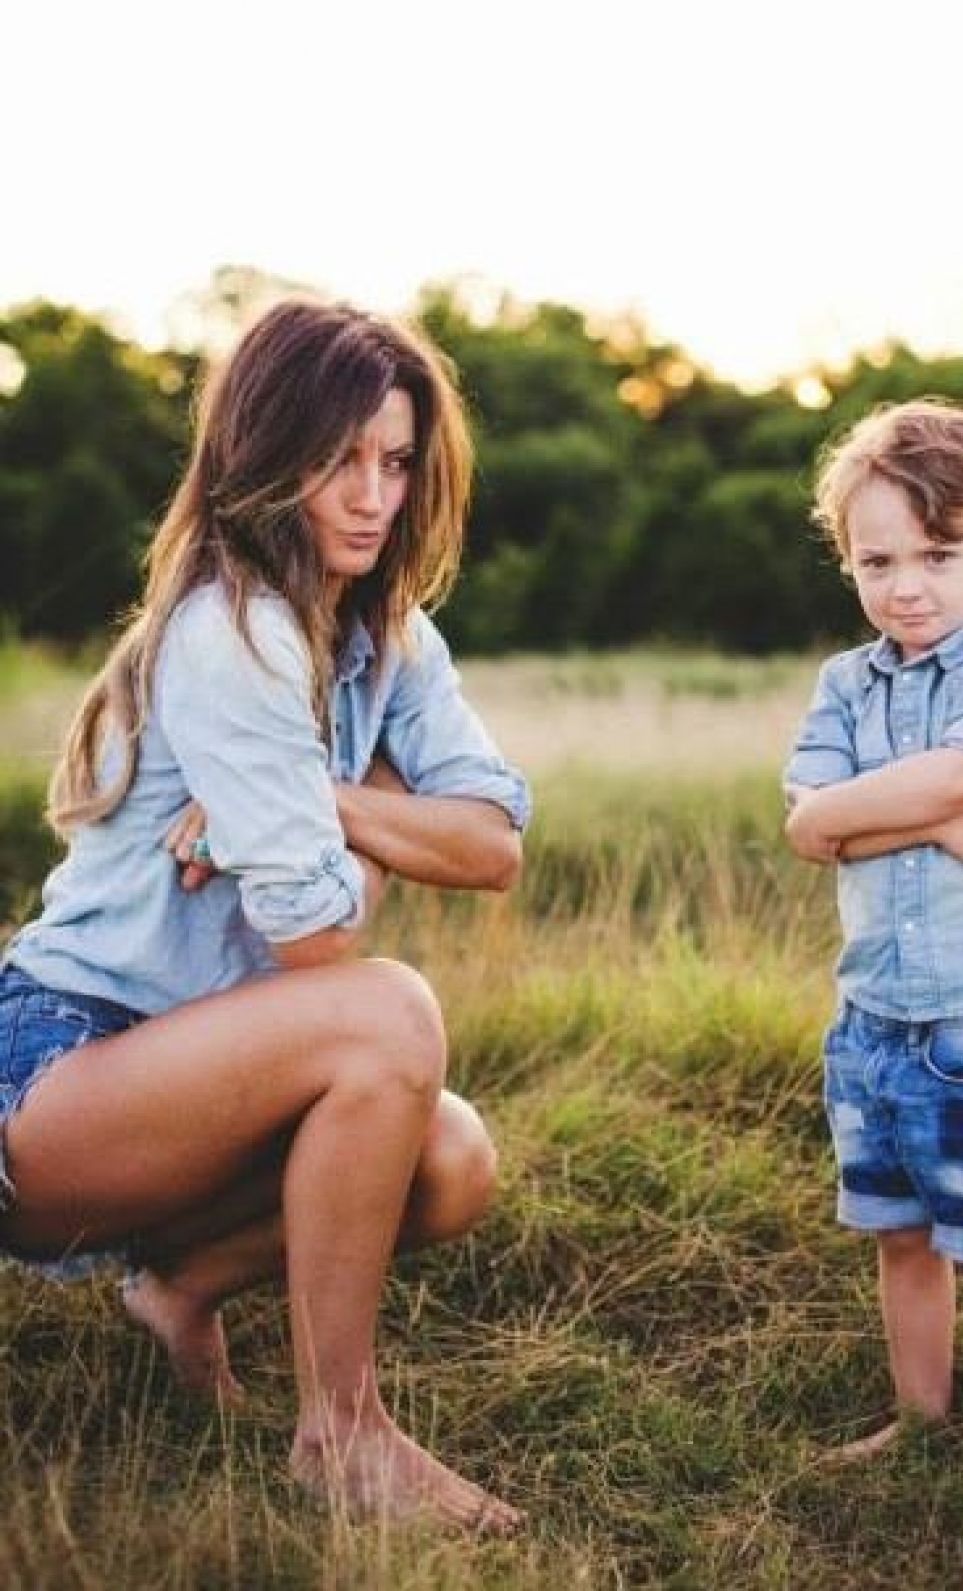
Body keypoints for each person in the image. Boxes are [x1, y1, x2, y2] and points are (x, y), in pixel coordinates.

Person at [0, 300, 530, 1530]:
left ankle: (179, 1291)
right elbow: (320, 946)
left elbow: (495, 845)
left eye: (395, 462)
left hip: (210, 1082)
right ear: (261, 454)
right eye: (338, 458)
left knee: (451, 1161)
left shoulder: (391, 640)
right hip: (61, 1071)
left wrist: (332, 799)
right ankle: (341, 1433)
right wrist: (389, 809)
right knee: (385, 1010)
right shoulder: (227, 630)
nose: (370, 495)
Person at [782, 398, 963, 1494]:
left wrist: (899, 807)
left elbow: (962, 769)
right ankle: (920, 1418)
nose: (906, 585)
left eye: (939, 554)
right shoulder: (844, 684)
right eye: (876, 559)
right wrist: (934, 823)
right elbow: (807, 824)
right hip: (871, 1018)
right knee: (900, 1234)